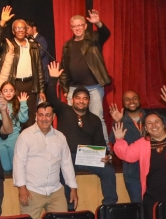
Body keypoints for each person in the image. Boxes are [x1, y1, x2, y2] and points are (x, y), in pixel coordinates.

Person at [45, 62, 117, 209]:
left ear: (89, 101)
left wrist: (106, 155)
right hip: (68, 156)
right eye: (78, 97)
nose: (81, 101)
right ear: (72, 100)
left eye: (85, 98)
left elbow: (100, 143)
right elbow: (51, 98)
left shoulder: (95, 119)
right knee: (64, 172)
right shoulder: (64, 111)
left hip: (88, 156)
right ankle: (69, 210)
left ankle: (109, 207)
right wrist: (53, 79)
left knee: (109, 171)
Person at [108, 86, 166, 203]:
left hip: (165, 177)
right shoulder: (121, 120)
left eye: (134, 98)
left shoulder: (151, 116)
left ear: (139, 100)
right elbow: (116, 143)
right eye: (127, 99)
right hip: (134, 175)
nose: (131, 101)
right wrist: (118, 122)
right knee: (143, 209)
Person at [12, 102, 78, 219]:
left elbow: (66, 163)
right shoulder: (25, 136)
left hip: (55, 191)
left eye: (48, 115)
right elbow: (19, 162)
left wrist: (73, 188)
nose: (44, 119)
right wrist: (22, 188)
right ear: (36, 116)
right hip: (32, 191)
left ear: (53, 117)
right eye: (41, 115)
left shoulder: (60, 137)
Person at [114, 114, 166, 219]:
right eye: (149, 123)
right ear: (145, 128)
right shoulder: (143, 142)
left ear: (163, 124)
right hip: (152, 195)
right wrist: (120, 140)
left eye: (156, 121)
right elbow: (128, 155)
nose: (153, 125)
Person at [59, 10, 112, 142]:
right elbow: (63, 69)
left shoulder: (94, 39)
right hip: (73, 89)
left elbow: (105, 33)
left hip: (93, 88)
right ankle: (77, 147)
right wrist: (65, 90)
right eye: (74, 26)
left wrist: (98, 22)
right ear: (71, 28)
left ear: (85, 26)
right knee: (73, 120)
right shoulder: (67, 45)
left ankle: (104, 150)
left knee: (97, 118)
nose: (77, 28)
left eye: (80, 25)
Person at [0, 6, 45, 126]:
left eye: (22, 28)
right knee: (15, 116)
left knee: (29, 117)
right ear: (13, 31)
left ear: (26, 30)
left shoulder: (34, 46)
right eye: (17, 28)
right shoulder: (8, 45)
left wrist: (41, 89)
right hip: (14, 84)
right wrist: (2, 22)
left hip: (31, 85)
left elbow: (39, 69)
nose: (20, 30)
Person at [0, 83, 29, 172]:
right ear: (0, 92)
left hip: (14, 137)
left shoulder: (16, 104)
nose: (8, 93)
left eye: (11, 91)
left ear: (14, 92)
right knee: (6, 167)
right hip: (0, 139)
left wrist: (23, 103)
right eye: (5, 91)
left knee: (16, 165)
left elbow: (23, 119)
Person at [25, 20, 51, 86]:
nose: (25, 31)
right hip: (33, 74)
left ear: (34, 28)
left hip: (42, 75)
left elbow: (39, 55)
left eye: (27, 28)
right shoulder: (27, 41)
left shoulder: (41, 40)